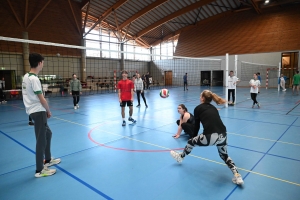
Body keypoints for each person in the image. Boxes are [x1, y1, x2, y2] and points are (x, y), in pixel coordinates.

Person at [170, 90, 244, 185]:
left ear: (203, 98)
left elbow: (197, 127)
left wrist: (192, 139)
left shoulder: (198, 108)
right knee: (224, 155)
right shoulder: (213, 108)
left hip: (210, 136)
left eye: (200, 96)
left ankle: (180, 157)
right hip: (223, 134)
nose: (200, 97)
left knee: (190, 142)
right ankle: (237, 175)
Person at [22, 53, 60, 178]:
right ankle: (39, 170)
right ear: (39, 63)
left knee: (48, 133)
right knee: (41, 140)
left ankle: (48, 159)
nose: (43, 64)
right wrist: (48, 110)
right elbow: (42, 99)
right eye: (42, 62)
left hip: (33, 111)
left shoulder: (26, 76)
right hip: (38, 111)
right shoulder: (34, 79)